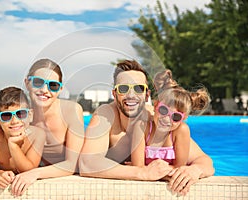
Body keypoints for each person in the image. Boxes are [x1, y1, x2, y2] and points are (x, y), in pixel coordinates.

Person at [79, 60, 214, 195]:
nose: (131, 95)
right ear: (114, 95)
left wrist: (194, 170)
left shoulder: (158, 119)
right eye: (123, 89)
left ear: (147, 94)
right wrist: (143, 172)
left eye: (138, 88)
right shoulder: (106, 116)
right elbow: (87, 164)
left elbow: (204, 161)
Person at [0, 58, 85, 196]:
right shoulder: (20, 115)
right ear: (27, 83)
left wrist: (34, 173)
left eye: (53, 85)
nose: (44, 90)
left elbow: (71, 164)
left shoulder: (71, 111)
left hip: (57, 177)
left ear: (60, 89)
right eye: (38, 82)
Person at [130, 69, 211, 195]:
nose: (167, 119)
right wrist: (166, 171)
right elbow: (137, 168)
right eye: (163, 110)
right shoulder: (141, 127)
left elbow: (180, 169)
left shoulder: (181, 131)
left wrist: (157, 172)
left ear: (183, 119)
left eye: (176, 117)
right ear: (156, 105)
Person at [0, 86, 45, 189]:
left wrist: (13, 145)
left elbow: (29, 171)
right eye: (6, 116)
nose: (15, 121)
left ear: (30, 115)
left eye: (21, 113)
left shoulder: (38, 135)